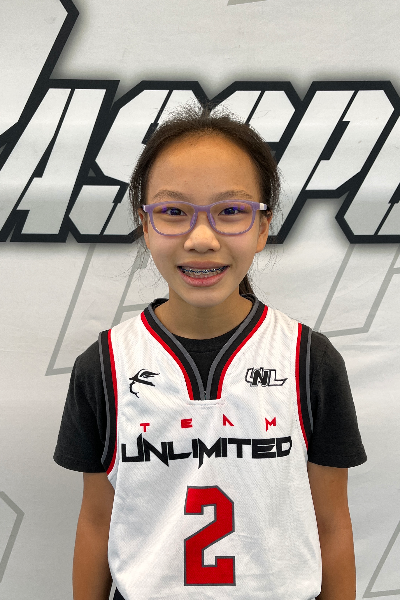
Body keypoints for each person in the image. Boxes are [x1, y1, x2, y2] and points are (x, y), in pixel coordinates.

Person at [54, 105, 367, 600]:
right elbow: (97, 522)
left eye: (231, 211)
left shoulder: (309, 360)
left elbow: (332, 525)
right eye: (174, 212)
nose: (202, 239)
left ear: (262, 227)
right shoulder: (105, 365)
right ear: (145, 225)